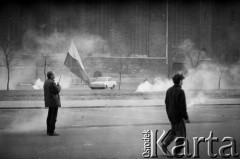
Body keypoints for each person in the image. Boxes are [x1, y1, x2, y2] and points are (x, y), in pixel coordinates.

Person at [160, 73, 190, 157]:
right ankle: (177, 151)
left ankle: (165, 144)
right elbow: (182, 106)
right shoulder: (180, 91)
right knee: (182, 135)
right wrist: (186, 117)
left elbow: (166, 103)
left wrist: (169, 114)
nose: (182, 82)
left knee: (174, 131)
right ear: (180, 81)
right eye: (182, 80)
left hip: (171, 116)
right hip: (178, 117)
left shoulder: (169, 90)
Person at [43, 71, 61, 136]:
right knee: (53, 117)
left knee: (49, 116)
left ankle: (48, 130)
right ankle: (51, 131)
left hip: (50, 101)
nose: (55, 76)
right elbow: (56, 90)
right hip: (53, 102)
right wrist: (58, 86)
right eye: (54, 75)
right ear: (51, 76)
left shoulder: (46, 82)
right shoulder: (52, 82)